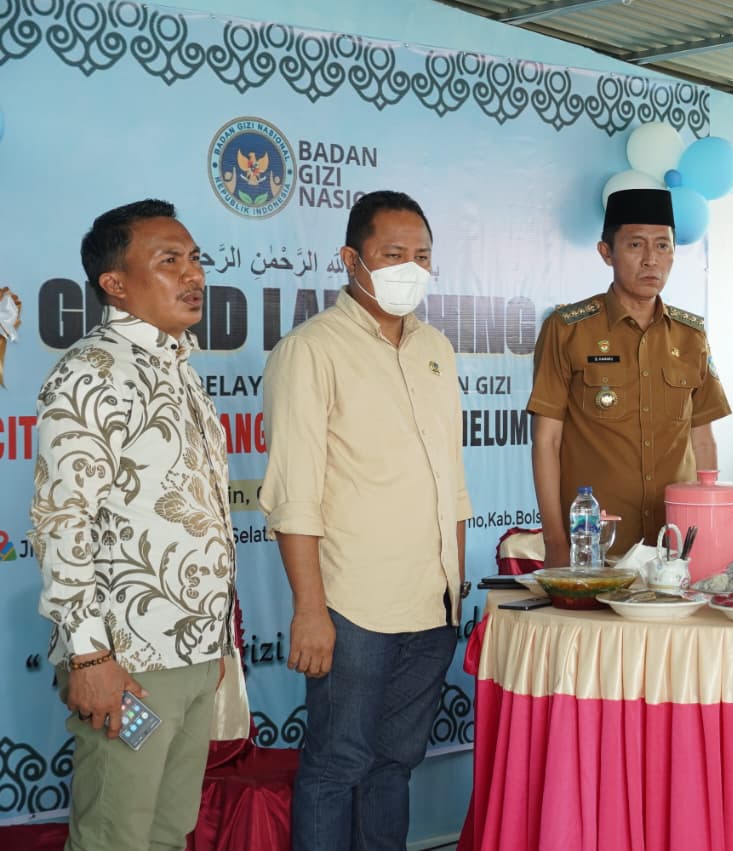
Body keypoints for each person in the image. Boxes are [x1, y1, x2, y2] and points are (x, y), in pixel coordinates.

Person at [260, 190, 471, 851]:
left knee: (394, 765)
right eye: (393, 254)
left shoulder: (437, 348)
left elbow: (452, 482)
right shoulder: (311, 349)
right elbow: (294, 493)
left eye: (422, 256)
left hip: (431, 604)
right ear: (351, 259)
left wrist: (455, 586)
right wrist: (310, 610)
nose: (411, 268)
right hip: (352, 607)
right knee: (335, 765)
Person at [30, 199, 236, 850]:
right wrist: (90, 656)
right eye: (169, 260)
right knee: (114, 837)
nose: (193, 274)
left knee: (168, 832)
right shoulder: (90, 371)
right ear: (115, 283)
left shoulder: (181, 370)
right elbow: (63, 520)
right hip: (128, 663)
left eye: (195, 258)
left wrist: (212, 645)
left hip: (193, 654)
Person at [527, 188, 731, 566]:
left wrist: (709, 528)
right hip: (596, 548)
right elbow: (546, 441)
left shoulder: (691, 336)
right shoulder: (568, 329)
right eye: (636, 245)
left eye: (663, 246)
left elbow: (703, 441)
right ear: (607, 253)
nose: (651, 259)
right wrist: (555, 540)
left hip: (675, 547)